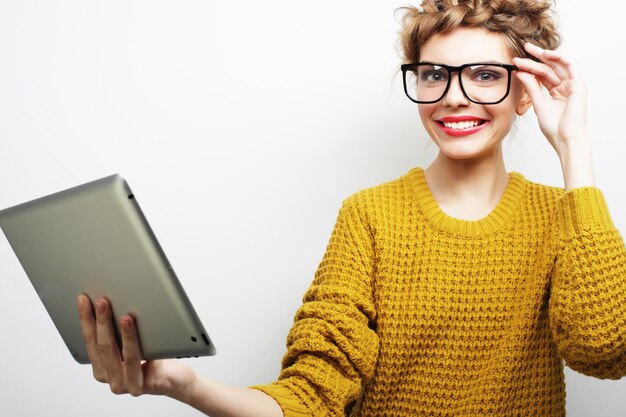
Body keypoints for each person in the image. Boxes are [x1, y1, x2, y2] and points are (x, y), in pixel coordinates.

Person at [77, 0, 626, 416]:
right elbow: (311, 395)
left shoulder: (566, 216)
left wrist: (573, 147)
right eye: (434, 74)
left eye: (485, 75)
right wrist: (183, 385)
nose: (454, 95)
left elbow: (604, 350)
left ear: (526, 91)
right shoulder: (369, 215)